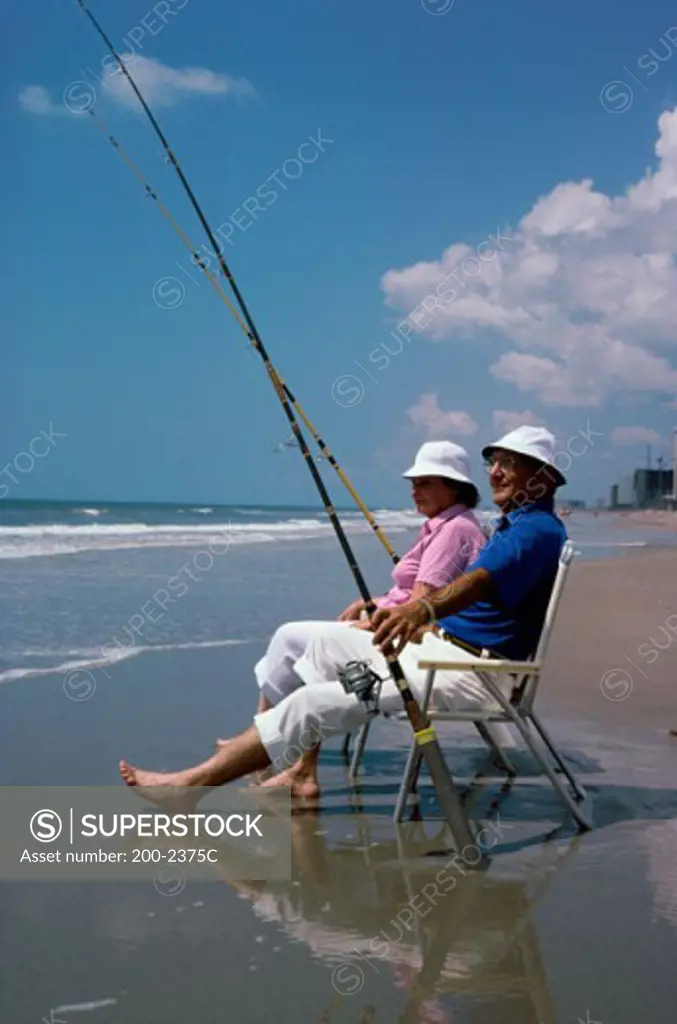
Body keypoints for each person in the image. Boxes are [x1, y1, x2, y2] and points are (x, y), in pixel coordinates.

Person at [119, 425, 567, 800]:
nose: (496, 471)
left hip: (463, 671)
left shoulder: (534, 530)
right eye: (494, 461)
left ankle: (192, 785)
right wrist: (405, 612)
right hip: (442, 651)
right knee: (323, 645)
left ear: (543, 477)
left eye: (510, 463)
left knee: (312, 701)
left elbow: (478, 581)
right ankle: (288, 752)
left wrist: (420, 609)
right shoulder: (518, 524)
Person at [217, 440, 486, 789]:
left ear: (454, 487)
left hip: (414, 638)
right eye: (413, 484)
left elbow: (420, 605)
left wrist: (371, 621)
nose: (414, 491)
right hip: (406, 627)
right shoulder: (446, 525)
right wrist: (374, 602)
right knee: (290, 637)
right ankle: (262, 741)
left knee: (299, 638)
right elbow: (414, 595)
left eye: (425, 483)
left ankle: (287, 760)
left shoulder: (455, 530)